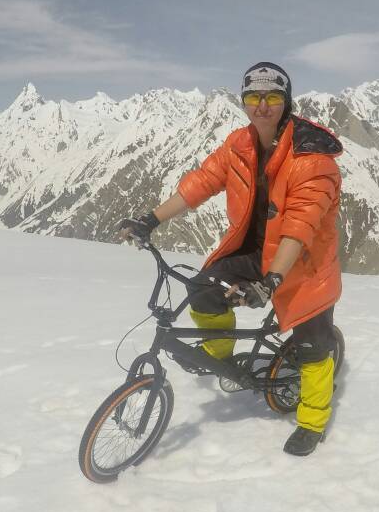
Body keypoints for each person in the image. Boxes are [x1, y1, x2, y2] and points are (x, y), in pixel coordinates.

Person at [119, 62, 342, 456]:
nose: (262, 106)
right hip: (256, 253)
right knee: (203, 289)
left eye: (272, 97)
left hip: (302, 262)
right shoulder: (240, 144)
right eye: (253, 97)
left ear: (286, 101)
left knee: (312, 344)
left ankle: (312, 420)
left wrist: (271, 281)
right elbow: (200, 183)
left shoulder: (312, 157)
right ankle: (220, 359)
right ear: (243, 101)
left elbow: (300, 227)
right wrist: (151, 219)